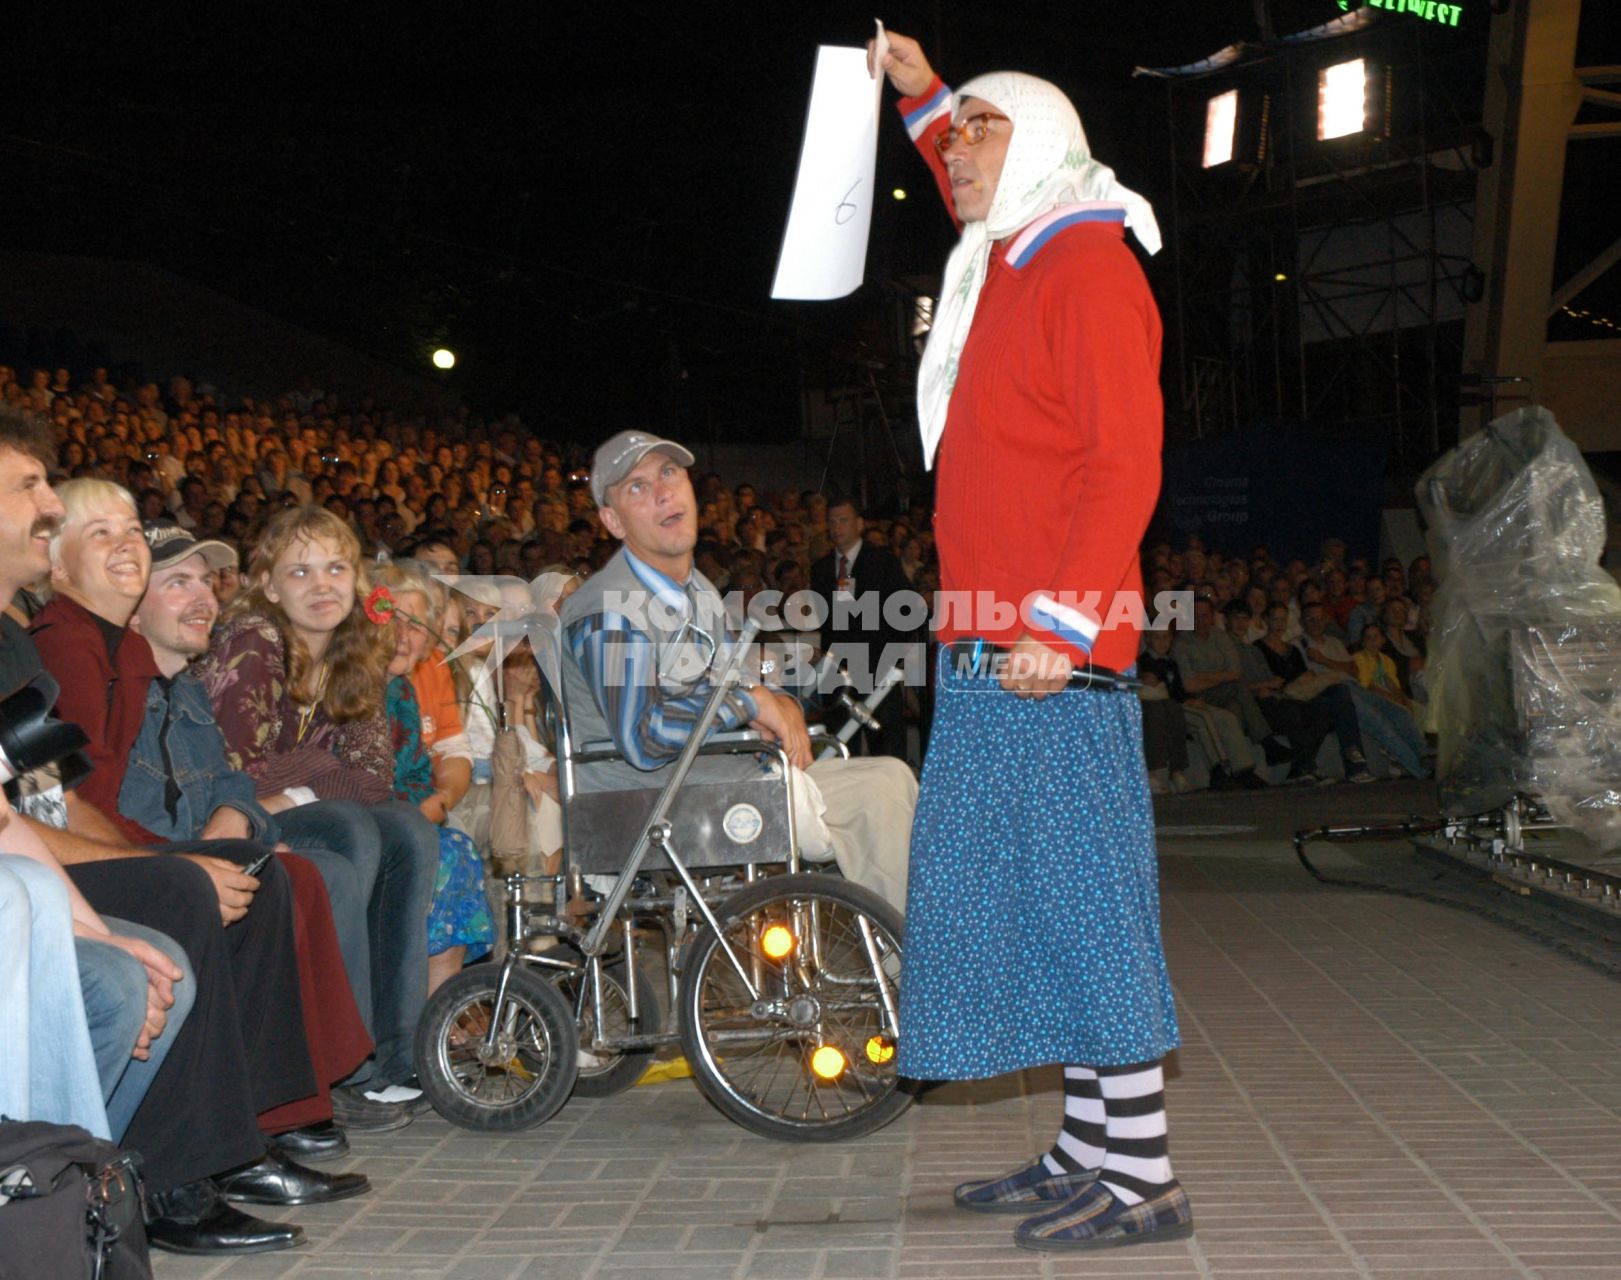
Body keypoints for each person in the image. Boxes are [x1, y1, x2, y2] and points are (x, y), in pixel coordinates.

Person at [871, 32, 1191, 1251]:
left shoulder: (1086, 265)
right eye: (949, 143)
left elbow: (1124, 466)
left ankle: (1144, 1174)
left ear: (1045, 146)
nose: (953, 156)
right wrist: (926, 97)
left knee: (1087, 903)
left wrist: (1061, 621)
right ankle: (1087, 1148)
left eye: (977, 138)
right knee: (1028, 899)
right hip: (989, 642)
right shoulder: (1004, 255)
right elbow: (970, 133)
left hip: (1051, 649)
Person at [0, 407, 321, 1254]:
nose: (45, 505)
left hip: (36, 860)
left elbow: (50, 801)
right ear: (63, 567)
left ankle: (246, 1134)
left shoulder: (25, 642)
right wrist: (153, 866)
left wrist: (154, 857)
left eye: (131, 527)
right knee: (187, 887)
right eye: (30, 487)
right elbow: (37, 812)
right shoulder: (64, 643)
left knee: (242, 869)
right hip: (23, 875)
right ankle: (175, 1175)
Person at [559, 431, 915, 916]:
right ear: (612, 520)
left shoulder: (698, 590)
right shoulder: (607, 610)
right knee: (877, 802)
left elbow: (733, 678)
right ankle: (916, 970)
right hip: (650, 804)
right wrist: (751, 703)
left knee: (893, 779)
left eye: (669, 473)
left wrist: (771, 696)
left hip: (722, 777)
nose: (663, 491)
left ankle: (907, 963)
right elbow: (642, 736)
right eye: (636, 487)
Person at [194, 505, 439, 1096]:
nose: (322, 585)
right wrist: (322, 769)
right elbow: (237, 772)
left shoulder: (354, 649)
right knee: (349, 826)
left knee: (407, 828)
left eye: (335, 568)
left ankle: (395, 1053)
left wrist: (298, 787)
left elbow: (374, 775)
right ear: (269, 585)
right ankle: (342, 1065)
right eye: (300, 572)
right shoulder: (251, 641)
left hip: (291, 807)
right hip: (214, 813)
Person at [808, 498, 919, 760]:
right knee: (840, 749)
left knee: (887, 750)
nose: (837, 527)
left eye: (843, 520)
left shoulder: (882, 562)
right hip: (837, 670)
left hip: (878, 666)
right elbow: (826, 622)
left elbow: (911, 608)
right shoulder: (822, 568)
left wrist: (893, 655)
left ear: (859, 523)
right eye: (832, 521)